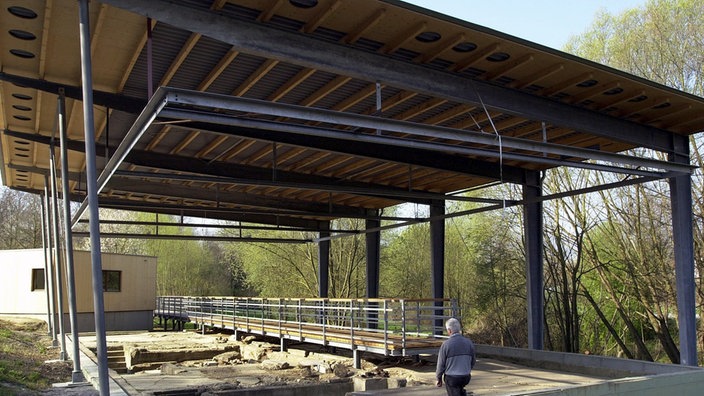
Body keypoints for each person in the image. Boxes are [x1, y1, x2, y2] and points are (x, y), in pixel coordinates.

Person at [436, 318, 476, 396]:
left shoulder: (446, 344)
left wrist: (438, 378)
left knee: (452, 386)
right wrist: (466, 369)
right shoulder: (469, 343)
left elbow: (441, 365)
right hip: (466, 377)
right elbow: (473, 361)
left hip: (452, 378)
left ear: (449, 331)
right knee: (460, 388)